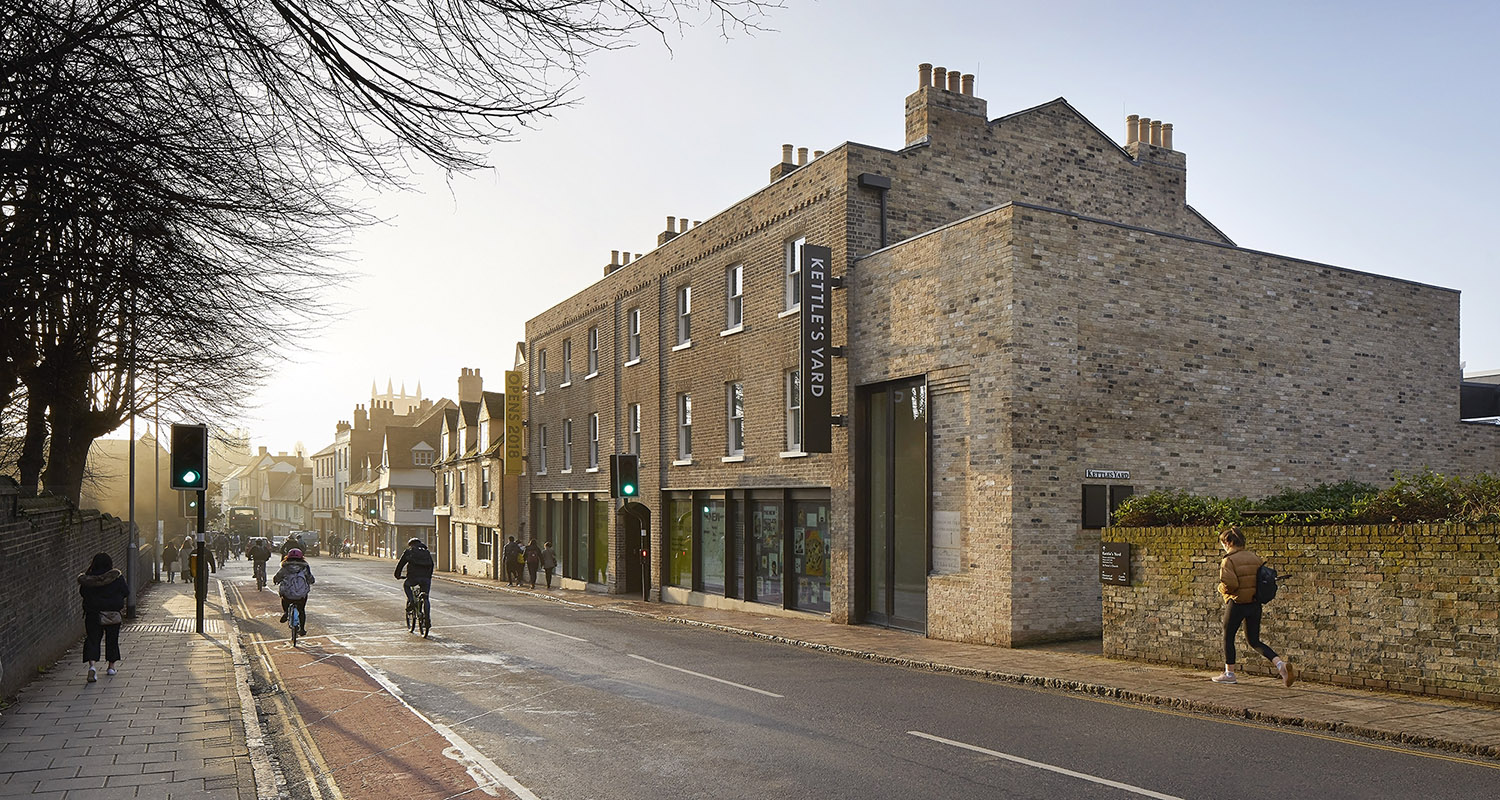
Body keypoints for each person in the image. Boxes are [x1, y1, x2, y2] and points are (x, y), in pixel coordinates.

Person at [1211, 527, 1296, 687]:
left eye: (1223, 542)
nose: (1223, 546)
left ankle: (1229, 673)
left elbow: (1231, 584)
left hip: (1237, 603)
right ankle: (1280, 665)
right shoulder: (1255, 558)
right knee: (1255, 641)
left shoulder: (1228, 560)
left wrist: (1221, 588)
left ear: (1229, 542)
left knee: (1228, 636)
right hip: (1255, 604)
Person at [78, 552, 128, 683]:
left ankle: (92, 666)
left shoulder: (88, 579)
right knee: (112, 640)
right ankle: (111, 667)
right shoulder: (116, 577)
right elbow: (126, 591)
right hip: (112, 614)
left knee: (93, 639)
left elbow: (83, 593)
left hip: (93, 614)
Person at [273, 548, 315, 635]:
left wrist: (276, 580)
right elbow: (310, 578)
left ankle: (286, 612)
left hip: (288, 594)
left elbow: (278, 577)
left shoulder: (285, 567)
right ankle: (302, 629)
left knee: (284, 598)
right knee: (302, 610)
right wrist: (311, 581)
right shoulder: (304, 567)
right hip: (301, 595)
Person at [394, 537, 434, 620]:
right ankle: (427, 619)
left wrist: (397, 575)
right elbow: (432, 564)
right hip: (426, 578)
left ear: (411, 545)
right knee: (426, 597)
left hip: (413, 577)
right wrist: (429, 576)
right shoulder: (426, 552)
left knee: (406, 585)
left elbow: (400, 564)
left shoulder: (409, 552)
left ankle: (411, 601)